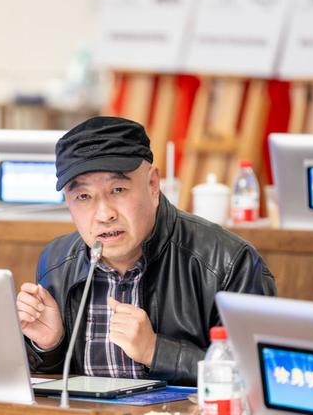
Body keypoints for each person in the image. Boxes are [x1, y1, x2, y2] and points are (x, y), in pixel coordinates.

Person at [17, 116, 276, 386]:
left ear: (153, 185)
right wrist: (48, 346)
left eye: (118, 189)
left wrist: (155, 351)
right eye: (83, 196)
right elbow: (55, 388)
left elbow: (261, 377)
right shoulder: (57, 261)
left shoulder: (228, 261)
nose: (104, 214)